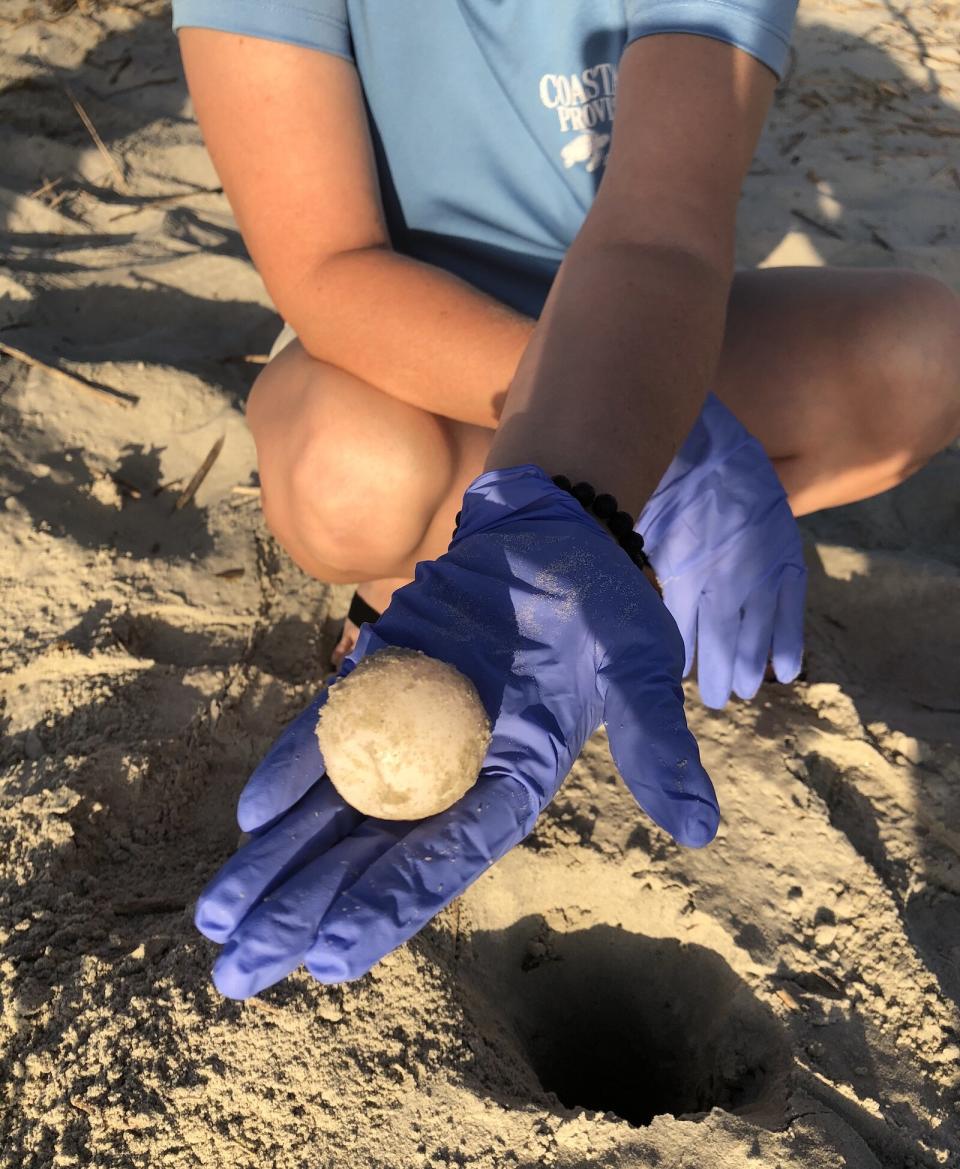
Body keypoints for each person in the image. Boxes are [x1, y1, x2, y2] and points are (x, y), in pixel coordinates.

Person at [171, 1, 960, 999]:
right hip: (405, 350)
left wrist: (606, 444)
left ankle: (588, 545)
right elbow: (329, 274)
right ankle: (551, 549)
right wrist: (621, 442)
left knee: (921, 356)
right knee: (352, 470)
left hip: (647, 321)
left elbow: (662, 240)